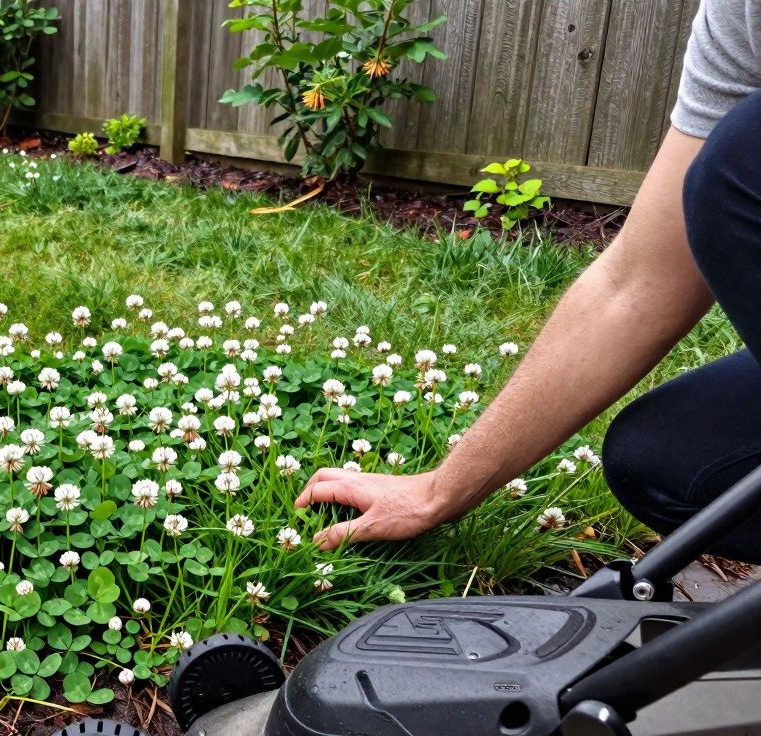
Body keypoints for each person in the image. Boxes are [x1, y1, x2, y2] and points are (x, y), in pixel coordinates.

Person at [296, 0, 761, 564]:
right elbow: (635, 283)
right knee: (669, 463)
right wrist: (438, 491)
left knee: (743, 155)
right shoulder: (740, 17)